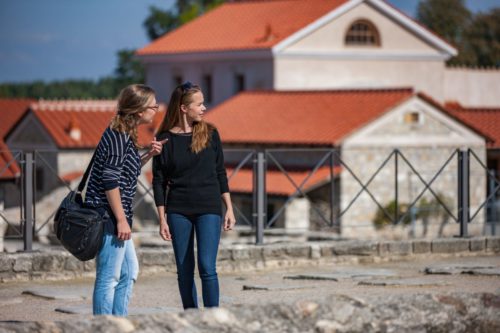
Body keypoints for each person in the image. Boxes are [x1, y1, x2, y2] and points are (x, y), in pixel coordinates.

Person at [152, 81, 236, 309]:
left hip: (209, 207)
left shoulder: (210, 133)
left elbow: (220, 171)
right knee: (184, 269)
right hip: (178, 210)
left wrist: (228, 207)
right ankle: (191, 317)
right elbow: (158, 181)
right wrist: (162, 219)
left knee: (207, 267)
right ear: (183, 108)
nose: (204, 108)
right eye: (199, 104)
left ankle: (212, 319)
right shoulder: (164, 139)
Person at [85, 84, 166, 316]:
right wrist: (121, 220)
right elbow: (110, 181)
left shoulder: (125, 135)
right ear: (140, 111)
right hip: (109, 216)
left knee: (129, 271)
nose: (157, 108)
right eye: (153, 105)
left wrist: (148, 154)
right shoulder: (118, 136)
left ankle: (119, 322)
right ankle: (104, 327)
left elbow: (125, 172)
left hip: (118, 216)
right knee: (108, 277)